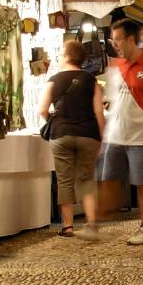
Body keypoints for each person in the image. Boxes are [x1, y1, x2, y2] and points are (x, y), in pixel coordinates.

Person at [97, 19, 143, 245]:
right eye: (112, 40)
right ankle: (95, 222)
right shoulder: (116, 67)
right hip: (116, 135)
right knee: (108, 179)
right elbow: (111, 101)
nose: (114, 44)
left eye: (116, 39)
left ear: (129, 39)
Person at [39, 39, 105, 241]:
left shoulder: (54, 80)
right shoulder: (91, 80)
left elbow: (42, 110)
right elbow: (98, 111)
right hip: (88, 134)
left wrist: (54, 120)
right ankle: (91, 223)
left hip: (61, 134)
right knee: (86, 179)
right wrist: (101, 136)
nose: (59, 57)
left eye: (60, 54)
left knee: (64, 180)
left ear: (67, 56)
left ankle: (67, 226)